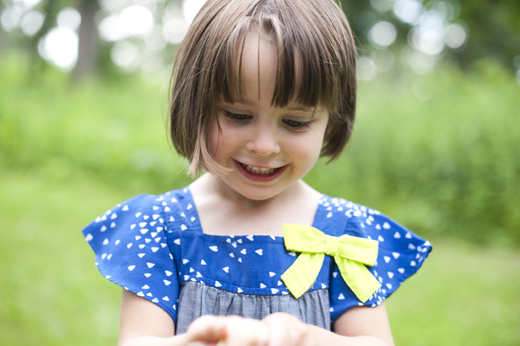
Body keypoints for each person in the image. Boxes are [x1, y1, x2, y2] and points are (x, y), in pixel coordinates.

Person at [82, 0, 432, 345]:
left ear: (333, 120)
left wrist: (305, 338)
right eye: (237, 115)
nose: (264, 146)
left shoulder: (341, 234)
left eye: (295, 122)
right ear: (194, 104)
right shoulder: (162, 226)